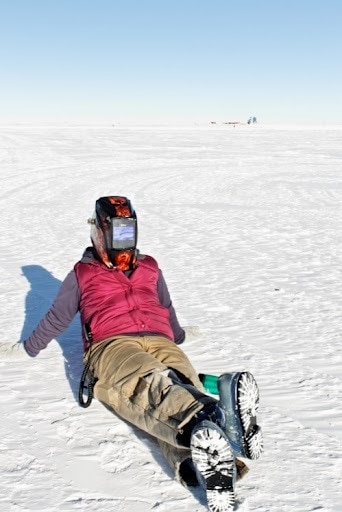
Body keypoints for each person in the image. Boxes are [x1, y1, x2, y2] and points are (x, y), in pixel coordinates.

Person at [0, 196, 262, 512]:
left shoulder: (150, 266)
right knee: (150, 382)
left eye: (126, 232)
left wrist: (178, 335)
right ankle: (216, 419)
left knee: (183, 380)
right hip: (112, 345)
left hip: (159, 337)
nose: (119, 240)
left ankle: (199, 461)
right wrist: (27, 348)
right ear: (97, 231)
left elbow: (164, 305)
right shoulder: (82, 273)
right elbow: (58, 316)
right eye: (112, 232)